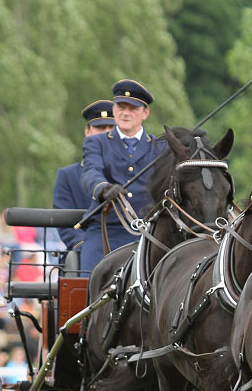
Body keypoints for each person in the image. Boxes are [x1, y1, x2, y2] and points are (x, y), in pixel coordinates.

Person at [79, 79, 168, 274]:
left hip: (147, 231)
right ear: (114, 108)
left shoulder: (161, 148)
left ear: (145, 113)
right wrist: (103, 188)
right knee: (87, 280)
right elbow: (90, 171)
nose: (125, 113)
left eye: (132, 108)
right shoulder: (96, 143)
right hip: (106, 228)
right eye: (121, 106)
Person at [52, 99, 115, 254]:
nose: (105, 133)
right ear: (87, 132)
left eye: (111, 128)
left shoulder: (129, 170)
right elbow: (65, 224)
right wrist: (84, 246)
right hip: (86, 250)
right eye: (99, 127)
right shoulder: (67, 176)